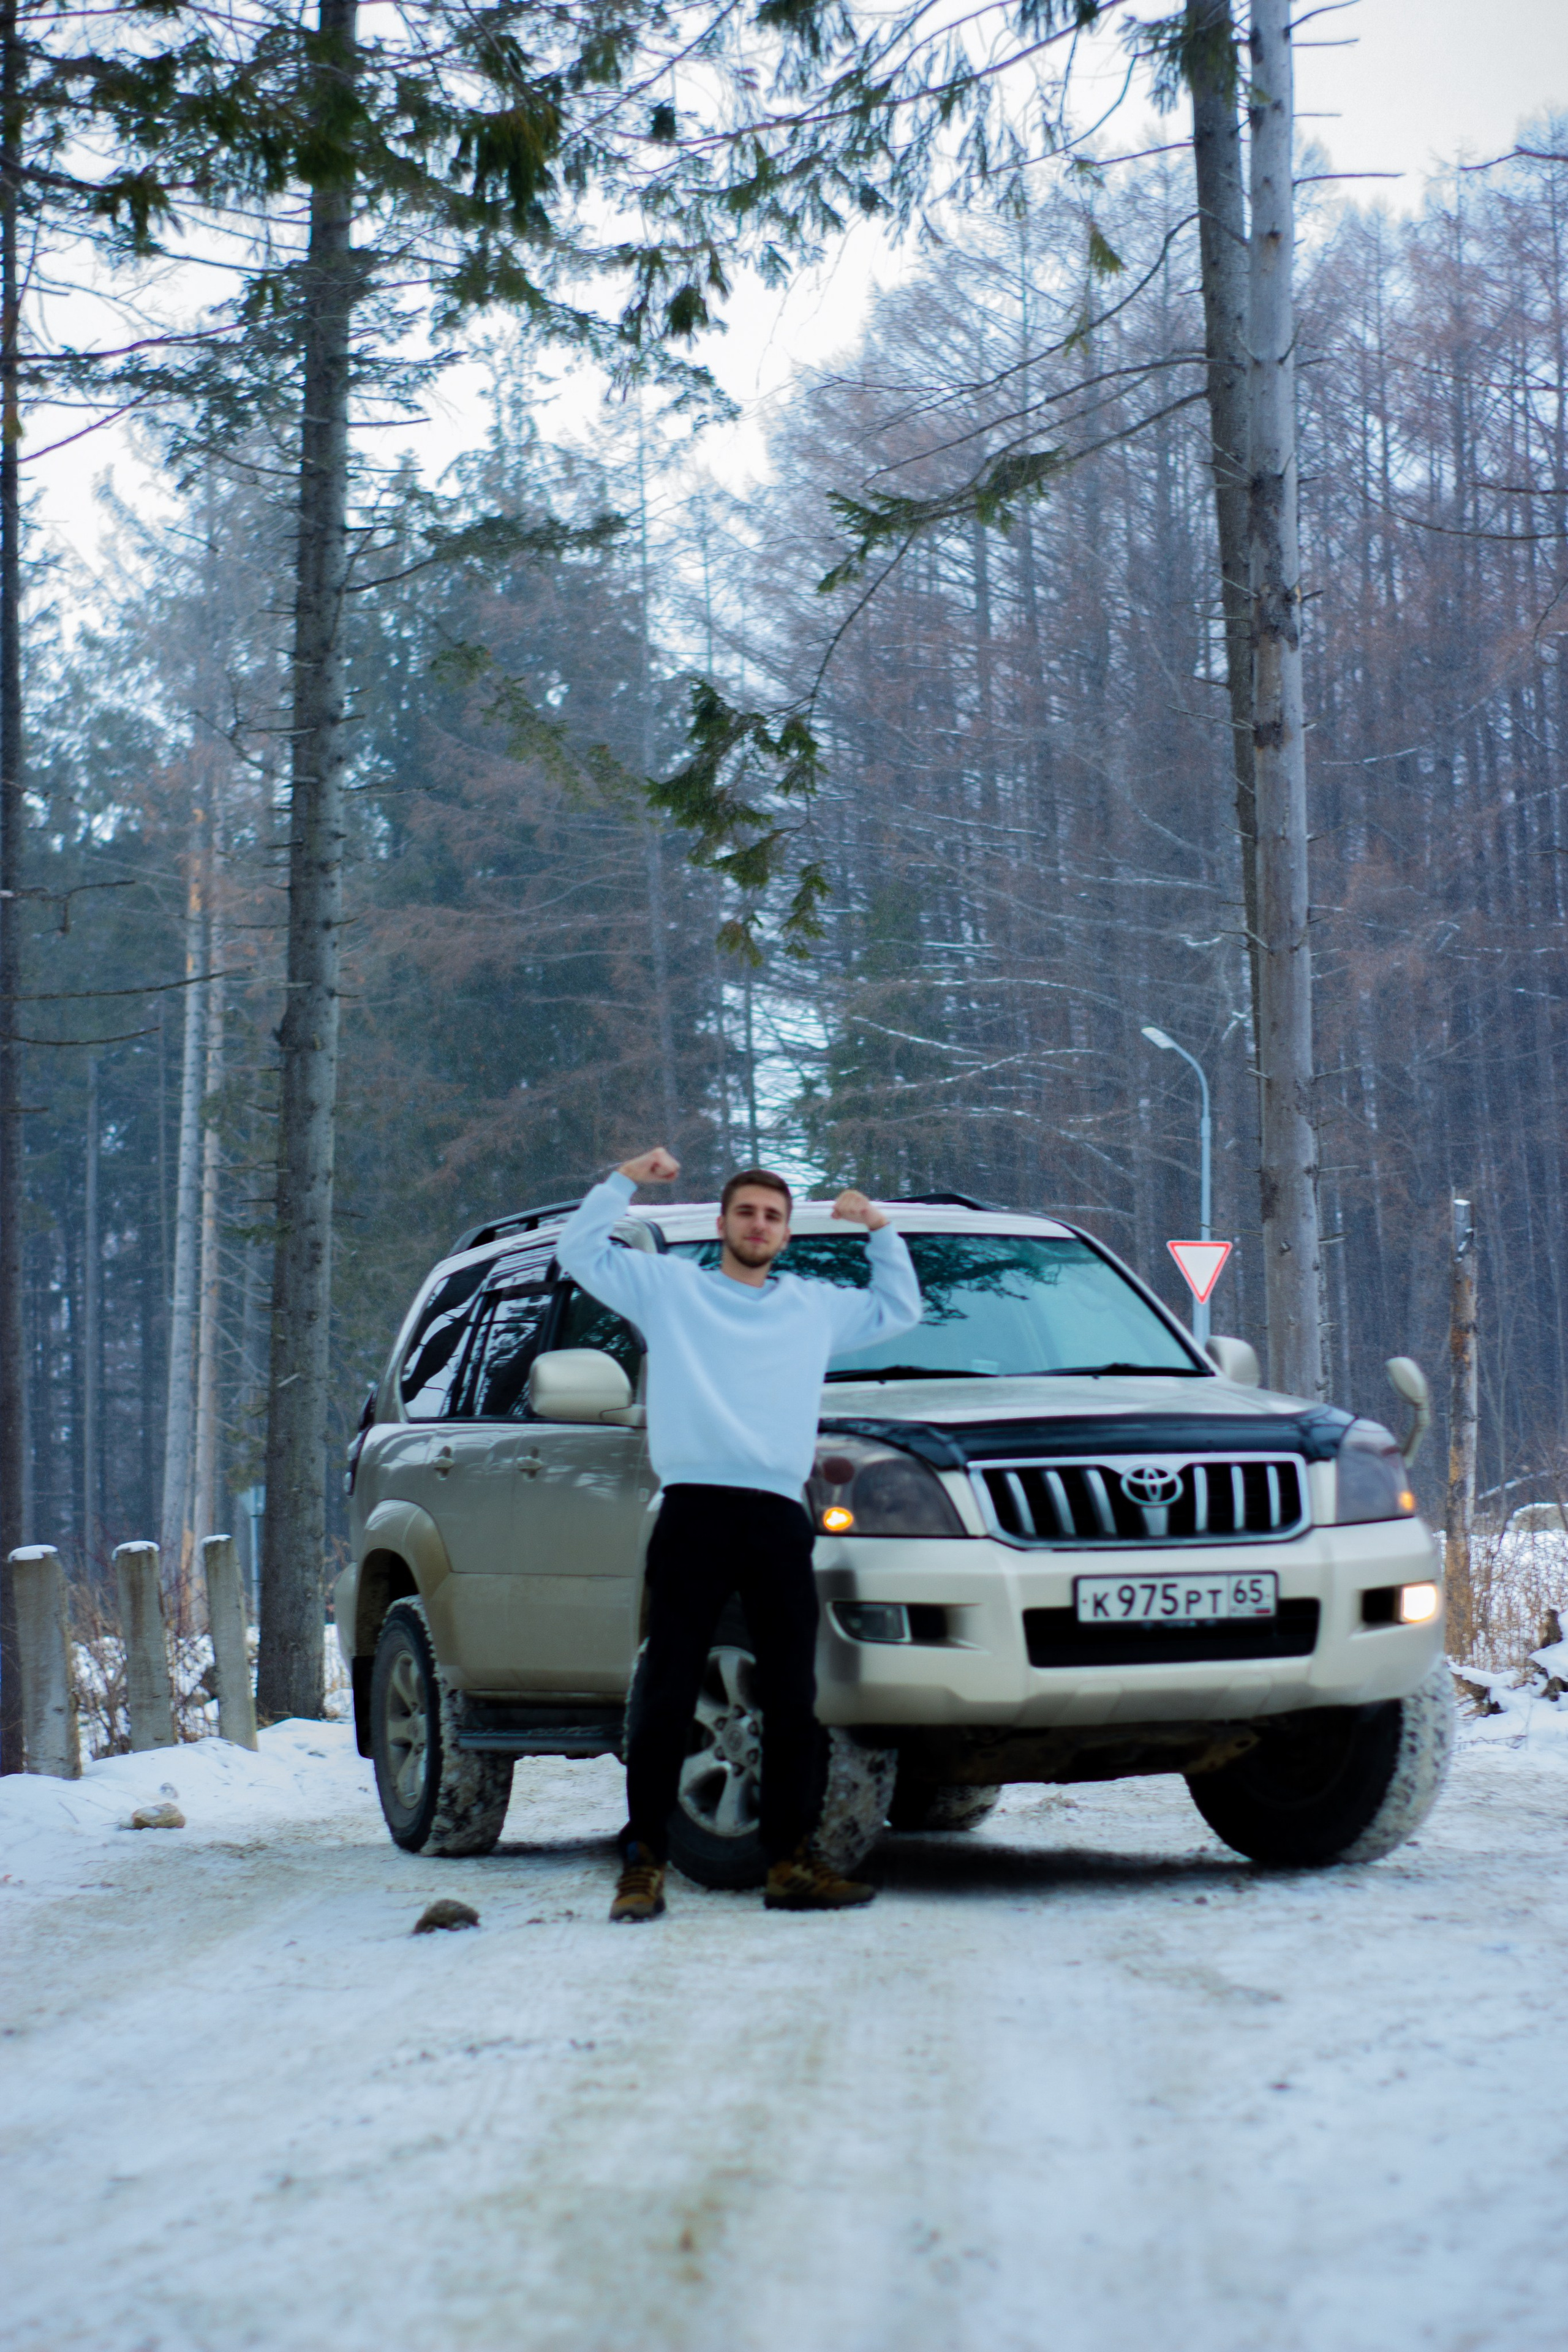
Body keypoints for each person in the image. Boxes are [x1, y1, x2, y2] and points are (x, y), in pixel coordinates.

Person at [556, 1150, 923, 1921]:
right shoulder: (673, 1290)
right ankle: (643, 1864)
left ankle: (791, 1863)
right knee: (666, 1692)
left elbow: (898, 1312)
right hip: (693, 1510)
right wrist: (624, 1177)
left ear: (786, 1235)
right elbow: (579, 1252)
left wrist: (880, 1228)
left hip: (777, 1513)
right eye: (747, 1213)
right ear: (722, 1225)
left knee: (793, 1696)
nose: (759, 1226)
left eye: (773, 1217)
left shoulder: (810, 1308)